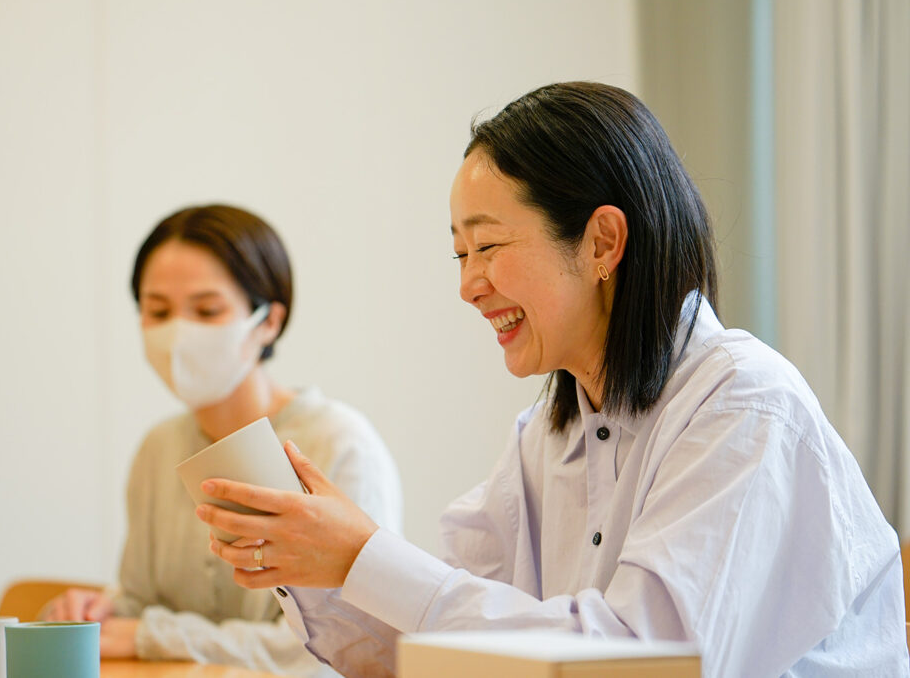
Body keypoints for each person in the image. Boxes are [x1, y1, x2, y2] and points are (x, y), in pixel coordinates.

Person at [193, 84, 908, 677]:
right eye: (459, 253)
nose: (470, 285)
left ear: (602, 242)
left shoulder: (745, 406)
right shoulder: (546, 434)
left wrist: (364, 555)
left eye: (489, 245)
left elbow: (645, 661)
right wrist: (317, 563)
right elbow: (435, 646)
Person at [45, 204, 403, 677]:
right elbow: (140, 608)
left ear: (269, 322)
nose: (178, 334)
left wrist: (150, 634)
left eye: (207, 310)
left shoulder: (337, 444)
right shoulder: (158, 448)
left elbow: (330, 650)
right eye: (157, 311)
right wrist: (101, 612)